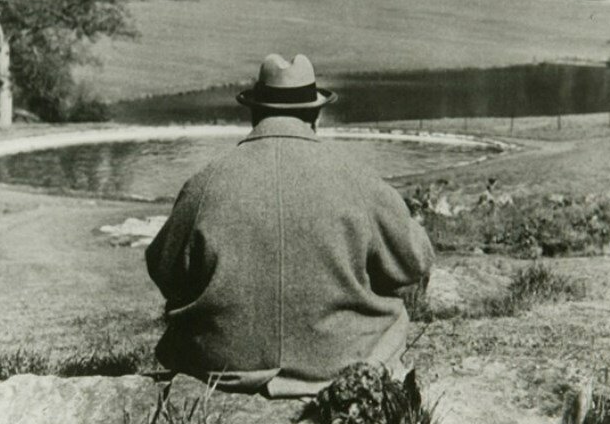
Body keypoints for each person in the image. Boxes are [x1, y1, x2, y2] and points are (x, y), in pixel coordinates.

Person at [146, 53, 434, 397]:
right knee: (395, 316)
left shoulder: (205, 181)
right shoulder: (357, 177)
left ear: (254, 113)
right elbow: (414, 263)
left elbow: (165, 270)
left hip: (221, 364)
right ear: (316, 115)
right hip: (338, 361)